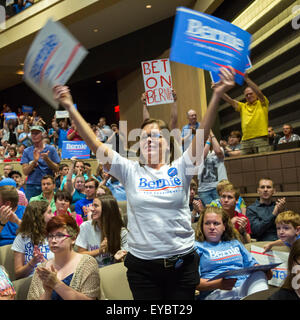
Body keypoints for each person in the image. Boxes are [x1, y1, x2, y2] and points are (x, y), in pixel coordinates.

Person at [53, 66, 236, 300]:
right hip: (143, 269)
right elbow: (95, 145)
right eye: (145, 136)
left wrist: (218, 95)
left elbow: (202, 135)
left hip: (182, 265)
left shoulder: (180, 168)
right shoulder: (130, 170)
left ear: (168, 143)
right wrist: (69, 106)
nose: (150, 140)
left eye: (156, 136)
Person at [195, 207, 270, 300]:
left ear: (224, 226)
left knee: (259, 274)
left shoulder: (235, 243)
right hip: (216, 292)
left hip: (243, 287)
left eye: (216, 223)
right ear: (202, 226)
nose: (211, 227)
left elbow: (253, 265)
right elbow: (193, 282)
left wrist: (265, 271)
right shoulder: (197, 247)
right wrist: (218, 284)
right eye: (207, 223)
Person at [27, 214, 100, 300]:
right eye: (50, 236)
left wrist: (56, 284)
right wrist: (47, 293)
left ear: (73, 238)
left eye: (60, 235)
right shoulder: (41, 269)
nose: (53, 241)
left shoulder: (87, 263)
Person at [220, 73, 270, 154]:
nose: (249, 96)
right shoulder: (243, 106)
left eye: (251, 93)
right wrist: (219, 90)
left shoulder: (262, 103)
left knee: (264, 162)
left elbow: (259, 92)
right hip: (245, 140)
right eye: (246, 95)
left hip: (260, 139)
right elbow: (230, 100)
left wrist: (247, 79)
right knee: (245, 163)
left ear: (256, 94)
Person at [75, 195, 128, 267]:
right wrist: (99, 251)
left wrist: (118, 259)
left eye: (95, 206)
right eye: (92, 205)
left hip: (114, 270)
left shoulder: (122, 232)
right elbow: (80, 254)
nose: (91, 209)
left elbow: (123, 261)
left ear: (107, 209)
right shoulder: (85, 227)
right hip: (92, 269)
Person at [11, 201, 54, 279]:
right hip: (30, 281)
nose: (53, 215)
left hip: (52, 277)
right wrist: (33, 262)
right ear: (39, 216)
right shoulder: (21, 238)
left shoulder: (55, 235)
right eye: (49, 212)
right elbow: (18, 274)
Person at [21, 125, 60, 200]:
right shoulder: (27, 151)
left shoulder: (51, 149)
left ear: (43, 134)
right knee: (32, 209)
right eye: (32, 133)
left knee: (50, 208)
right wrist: (34, 162)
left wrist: (47, 160)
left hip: (48, 184)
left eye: (37, 133)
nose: (34, 136)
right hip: (32, 185)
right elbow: (25, 172)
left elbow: (57, 169)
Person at [197, 130, 227, 206]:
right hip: (204, 191)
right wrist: (209, 140)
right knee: (210, 213)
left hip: (219, 188)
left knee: (222, 212)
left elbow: (218, 152)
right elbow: (202, 156)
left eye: (207, 137)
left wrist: (211, 134)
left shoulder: (219, 150)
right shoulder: (196, 152)